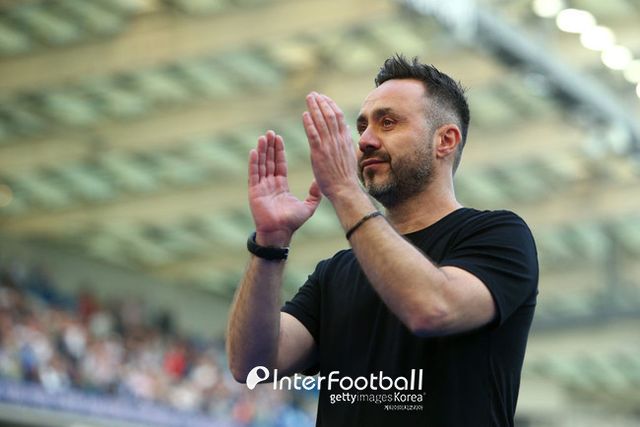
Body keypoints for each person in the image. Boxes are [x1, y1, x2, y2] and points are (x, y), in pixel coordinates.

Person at [226, 54, 538, 427]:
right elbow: (251, 366)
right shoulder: (336, 273)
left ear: (445, 140)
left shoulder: (498, 234)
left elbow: (432, 308)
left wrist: (344, 189)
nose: (366, 141)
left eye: (387, 123)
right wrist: (269, 244)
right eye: (362, 127)